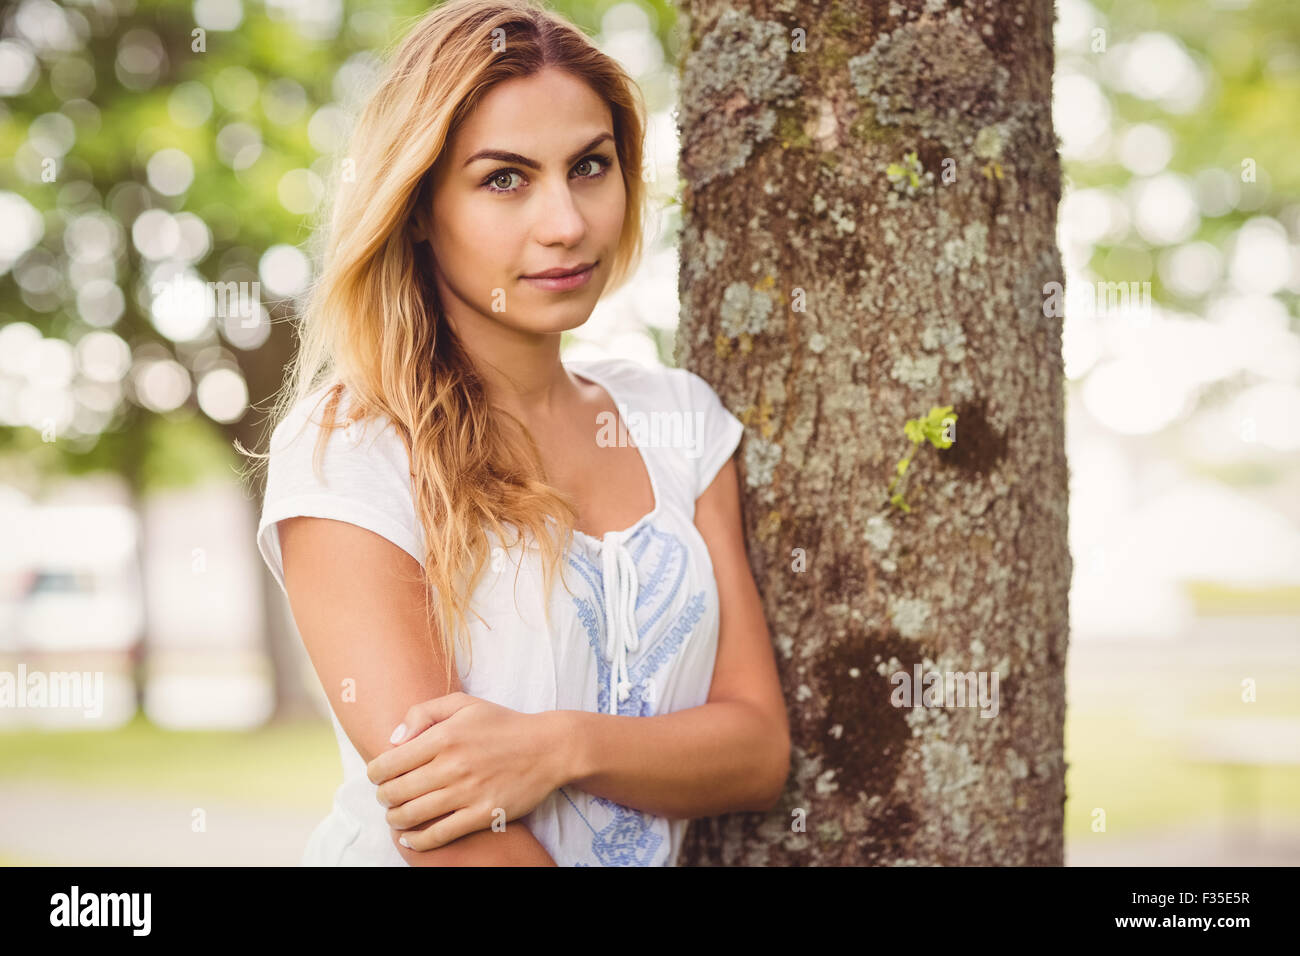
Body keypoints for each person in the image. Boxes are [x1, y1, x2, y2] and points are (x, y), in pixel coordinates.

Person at [247, 0, 789, 866]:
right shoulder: (351, 448)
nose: (566, 223)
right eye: (505, 178)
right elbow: (450, 831)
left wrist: (560, 745)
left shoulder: (676, 418)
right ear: (419, 206)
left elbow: (756, 750)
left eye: (589, 166)